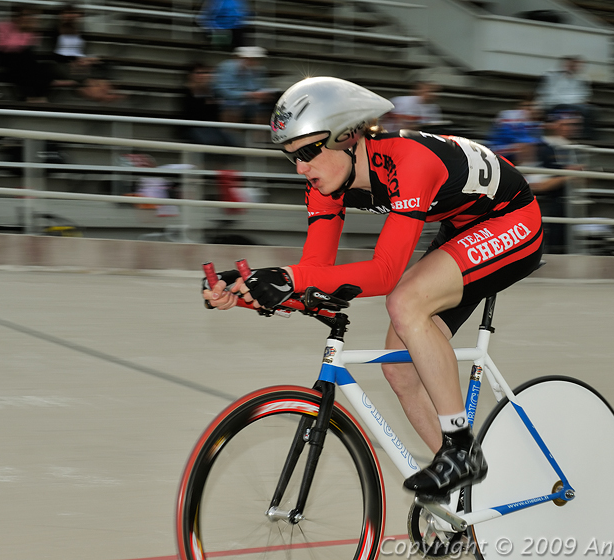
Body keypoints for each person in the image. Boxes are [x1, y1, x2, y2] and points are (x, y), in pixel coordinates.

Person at [203, 77, 544, 499]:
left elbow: (384, 273)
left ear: (348, 136)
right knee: (399, 368)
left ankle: (461, 450)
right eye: (291, 156)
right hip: (460, 228)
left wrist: (290, 278)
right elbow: (315, 272)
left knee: (405, 300)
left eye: (309, 152)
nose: (300, 168)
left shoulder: (409, 161)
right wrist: (253, 292)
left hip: (512, 221)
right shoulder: (323, 185)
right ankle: (466, 493)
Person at [531, 111, 584, 254]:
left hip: (570, 207)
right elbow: (538, 185)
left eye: (574, 124)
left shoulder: (575, 149)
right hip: (549, 206)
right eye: (566, 124)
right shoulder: (541, 148)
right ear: (554, 125)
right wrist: (569, 175)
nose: (571, 128)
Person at [535, 56, 596, 140]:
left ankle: (589, 136)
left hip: (573, 104)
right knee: (581, 109)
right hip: (554, 105)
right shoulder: (551, 76)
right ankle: (584, 135)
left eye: (577, 65)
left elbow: (585, 95)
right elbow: (551, 95)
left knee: (592, 109)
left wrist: (577, 101)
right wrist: (573, 101)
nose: (575, 67)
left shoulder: (582, 79)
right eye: (572, 64)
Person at [213, 46, 277, 125]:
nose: (256, 62)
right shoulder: (226, 67)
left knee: (268, 110)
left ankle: (260, 135)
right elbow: (222, 92)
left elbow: (257, 88)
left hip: (249, 103)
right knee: (233, 108)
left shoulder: (259, 70)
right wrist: (250, 95)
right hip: (226, 102)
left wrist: (261, 95)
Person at [486, 95, 542, 165]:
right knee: (525, 147)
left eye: (533, 106)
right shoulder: (507, 116)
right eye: (527, 106)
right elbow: (508, 137)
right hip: (500, 149)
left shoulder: (533, 120)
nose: (530, 108)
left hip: (517, 149)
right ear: (518, 106)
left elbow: (537, 139)